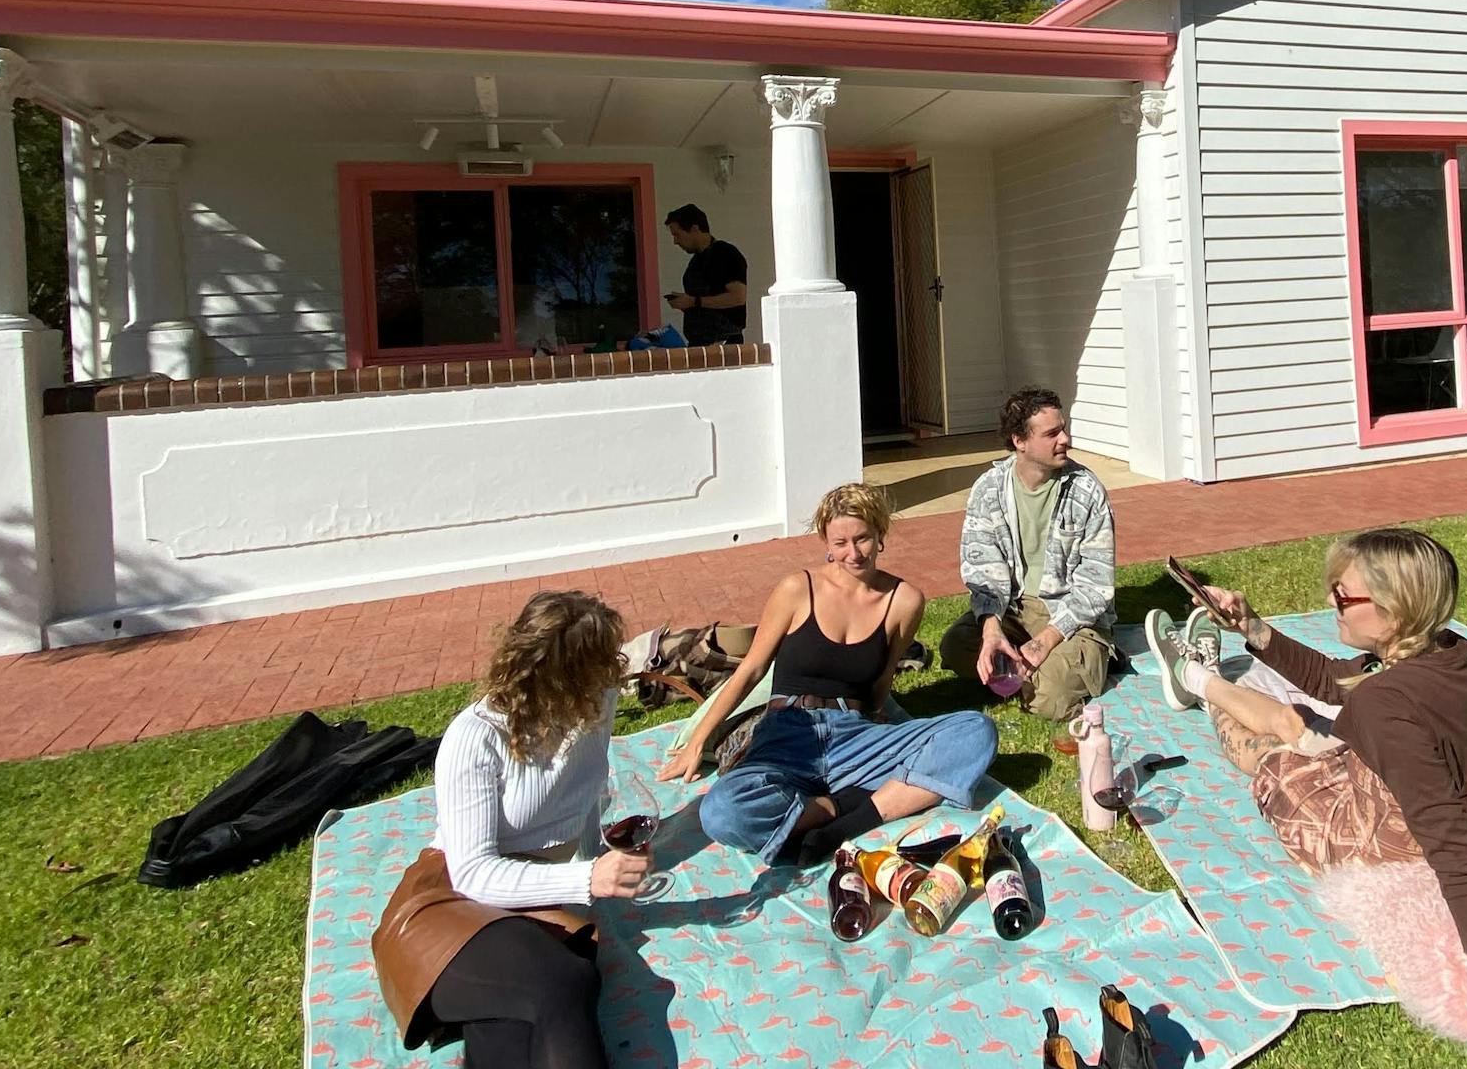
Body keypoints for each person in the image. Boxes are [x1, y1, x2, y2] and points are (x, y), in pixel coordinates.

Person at [1145, 528, 1467, 1069]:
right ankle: (1209, 679)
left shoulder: (1387, 706)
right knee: (1297, 718)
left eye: (1343, 595)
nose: (1329, 602)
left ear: (1394, 610)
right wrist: (1253, 628)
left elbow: (1458, 856)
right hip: (1418, 786)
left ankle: (1200, 681)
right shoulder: (1457, 653)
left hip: (1374, 832)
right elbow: (1339, 681)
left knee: (1266, 752)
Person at [371, 591, 649, 1069]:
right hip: (451, 901)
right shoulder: (477, 736)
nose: (614, 674)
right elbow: (473, 874)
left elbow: (582, 798)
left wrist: (585, 884)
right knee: (562, 982)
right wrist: (586, 879)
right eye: (599, 665)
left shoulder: (595, 704)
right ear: (558, 677)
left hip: (531, 901)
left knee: (537, 999)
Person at [660, 482, 997, 866]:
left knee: (975, 731)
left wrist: (883, 728)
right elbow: (751, 669)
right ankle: (835, 807)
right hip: (789, 732)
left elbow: (881, 680)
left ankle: (838, 824)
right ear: (825, 541)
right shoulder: (797, 589)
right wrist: (696, 741)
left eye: (863, 539)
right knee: (720, 811)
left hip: (854, 734)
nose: (852, 553)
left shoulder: (904, 601)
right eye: (840, 543)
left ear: (880, 533)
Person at [939, 386, 1118, 722]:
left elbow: (1094, 588)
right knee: (954, 646)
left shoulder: (1086, 491)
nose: (1065, 439)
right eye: (1052, 433)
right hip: (1013, 610)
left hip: (1069, 618)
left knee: (1053, 699)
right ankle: (1023, 671)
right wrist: (992, 630)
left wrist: (1042, 644)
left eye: (1063, 429)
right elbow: (982, 572)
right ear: (1019, 441)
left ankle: (1036, 672)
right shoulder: (988, 489)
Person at [663, 203, 749, 346]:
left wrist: (694, 301)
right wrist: (686, 304)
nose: (675, 241)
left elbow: (738, 297)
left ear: (695, 229)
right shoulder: (694, 263)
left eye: (677, 235)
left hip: (723, 342)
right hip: (697, 342)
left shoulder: (726, 253)